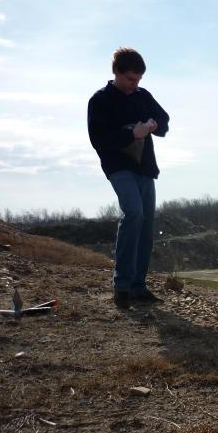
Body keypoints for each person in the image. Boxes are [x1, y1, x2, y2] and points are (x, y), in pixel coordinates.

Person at [88, 47, 169, 309]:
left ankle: (138, 287)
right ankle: (121, 287)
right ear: (117, 73)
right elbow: (99, 140)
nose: (135, 85)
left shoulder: (142, 96)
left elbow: (164, 120)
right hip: (118, 167)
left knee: (146, 228)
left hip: (146, 168)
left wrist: (153, 125)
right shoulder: (100, 100)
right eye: (131, 79)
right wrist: (131, 134)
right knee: (133, 213)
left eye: (139, 80)